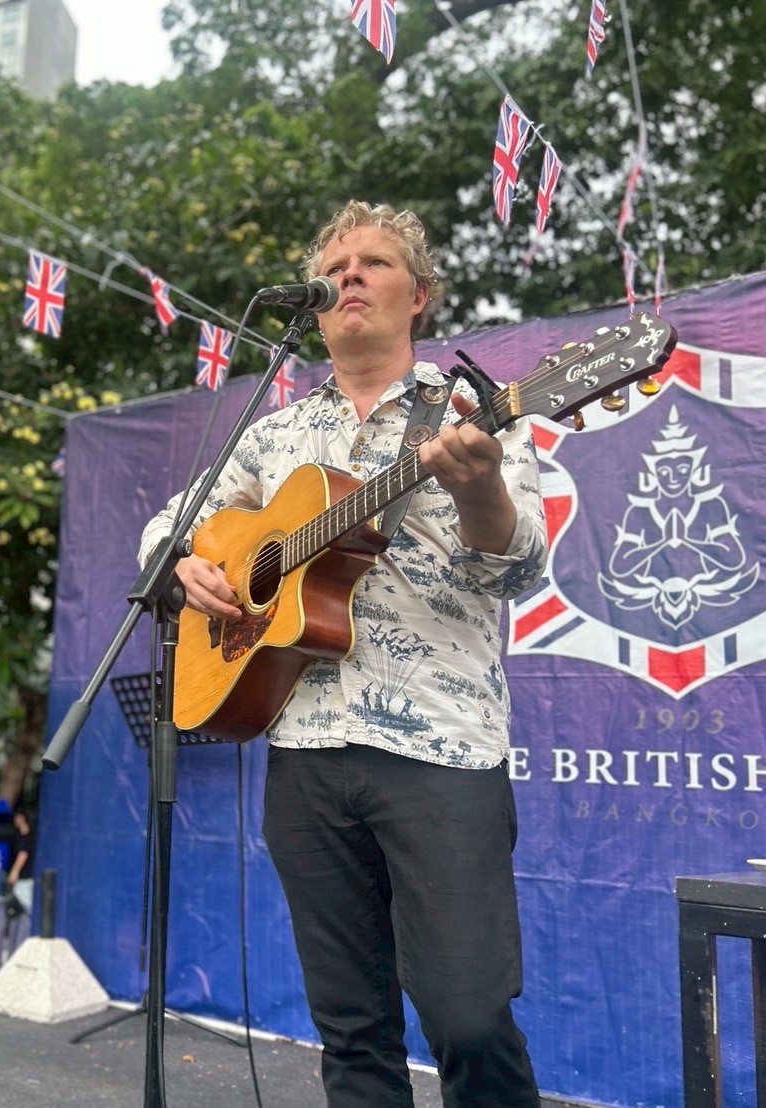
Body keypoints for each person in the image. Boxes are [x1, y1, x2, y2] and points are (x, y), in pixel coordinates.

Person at [140, 200, 548, 1107]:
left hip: (440, 746)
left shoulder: (473, 412)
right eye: (333, 268)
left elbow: (520, 566)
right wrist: (188, 568)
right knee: (351, 1032)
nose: (349, 276)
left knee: (468, 1017)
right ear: (315, 308)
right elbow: (170, 526)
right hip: (305, 753)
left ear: (420, 295)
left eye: (373, 262)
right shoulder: (274, 433)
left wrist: (478, 489)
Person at [5, 806, 35, 919]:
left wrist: (15, 871)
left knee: (24, 898)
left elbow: (23, 854)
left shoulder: (25, 836)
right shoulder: (27, 834)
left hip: (24, 875)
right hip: (27, 874)